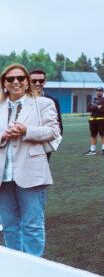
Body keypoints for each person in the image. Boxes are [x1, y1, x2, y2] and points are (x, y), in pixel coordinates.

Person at [0, 64, 61, 256]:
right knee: (9, 225)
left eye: (20, 78)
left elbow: (54, 131)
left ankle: (34, 268)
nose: (16, 82)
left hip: (31, 172)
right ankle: (17, 267)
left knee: (32, 225)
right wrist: (3, 135)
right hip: (3, 175)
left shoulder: (43, 103)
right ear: (4, 84)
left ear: (27, 82)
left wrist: (27, 130)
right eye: (10, 79)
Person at [28, 70, 63, 161]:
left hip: (44, 145)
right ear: (28, 81)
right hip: (26, 143)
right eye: (34, 81)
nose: (37, 83)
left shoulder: (52, 100)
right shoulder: (23, 99)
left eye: (41, 81)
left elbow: (59, 126)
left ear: (45, 81)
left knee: (42, 172)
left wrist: (52, 144)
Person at [85, 86, 104, 155]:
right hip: (92, 120)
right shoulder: (93, 99)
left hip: (101, 120)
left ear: (103, 92)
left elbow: (102, 110)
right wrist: (97, 106)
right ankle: (93, 150)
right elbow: (88, 108)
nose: (99, 92)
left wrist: (94, 106)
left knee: (102, 135)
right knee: (93, 135)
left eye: (100, 91)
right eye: (98, 91)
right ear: (96, 92)